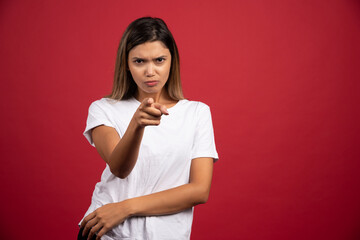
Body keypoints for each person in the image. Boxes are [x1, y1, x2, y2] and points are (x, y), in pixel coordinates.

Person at [78, 17, 218, 240]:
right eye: (140, 61)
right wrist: (136, 124)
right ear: (126, 63)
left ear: (172, 61)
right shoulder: (103, 109)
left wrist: (125, 208)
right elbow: (120, 169)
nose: (150, 71)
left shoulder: (197, 113)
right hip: (108, 232)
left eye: (159, 60)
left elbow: (199, 190)